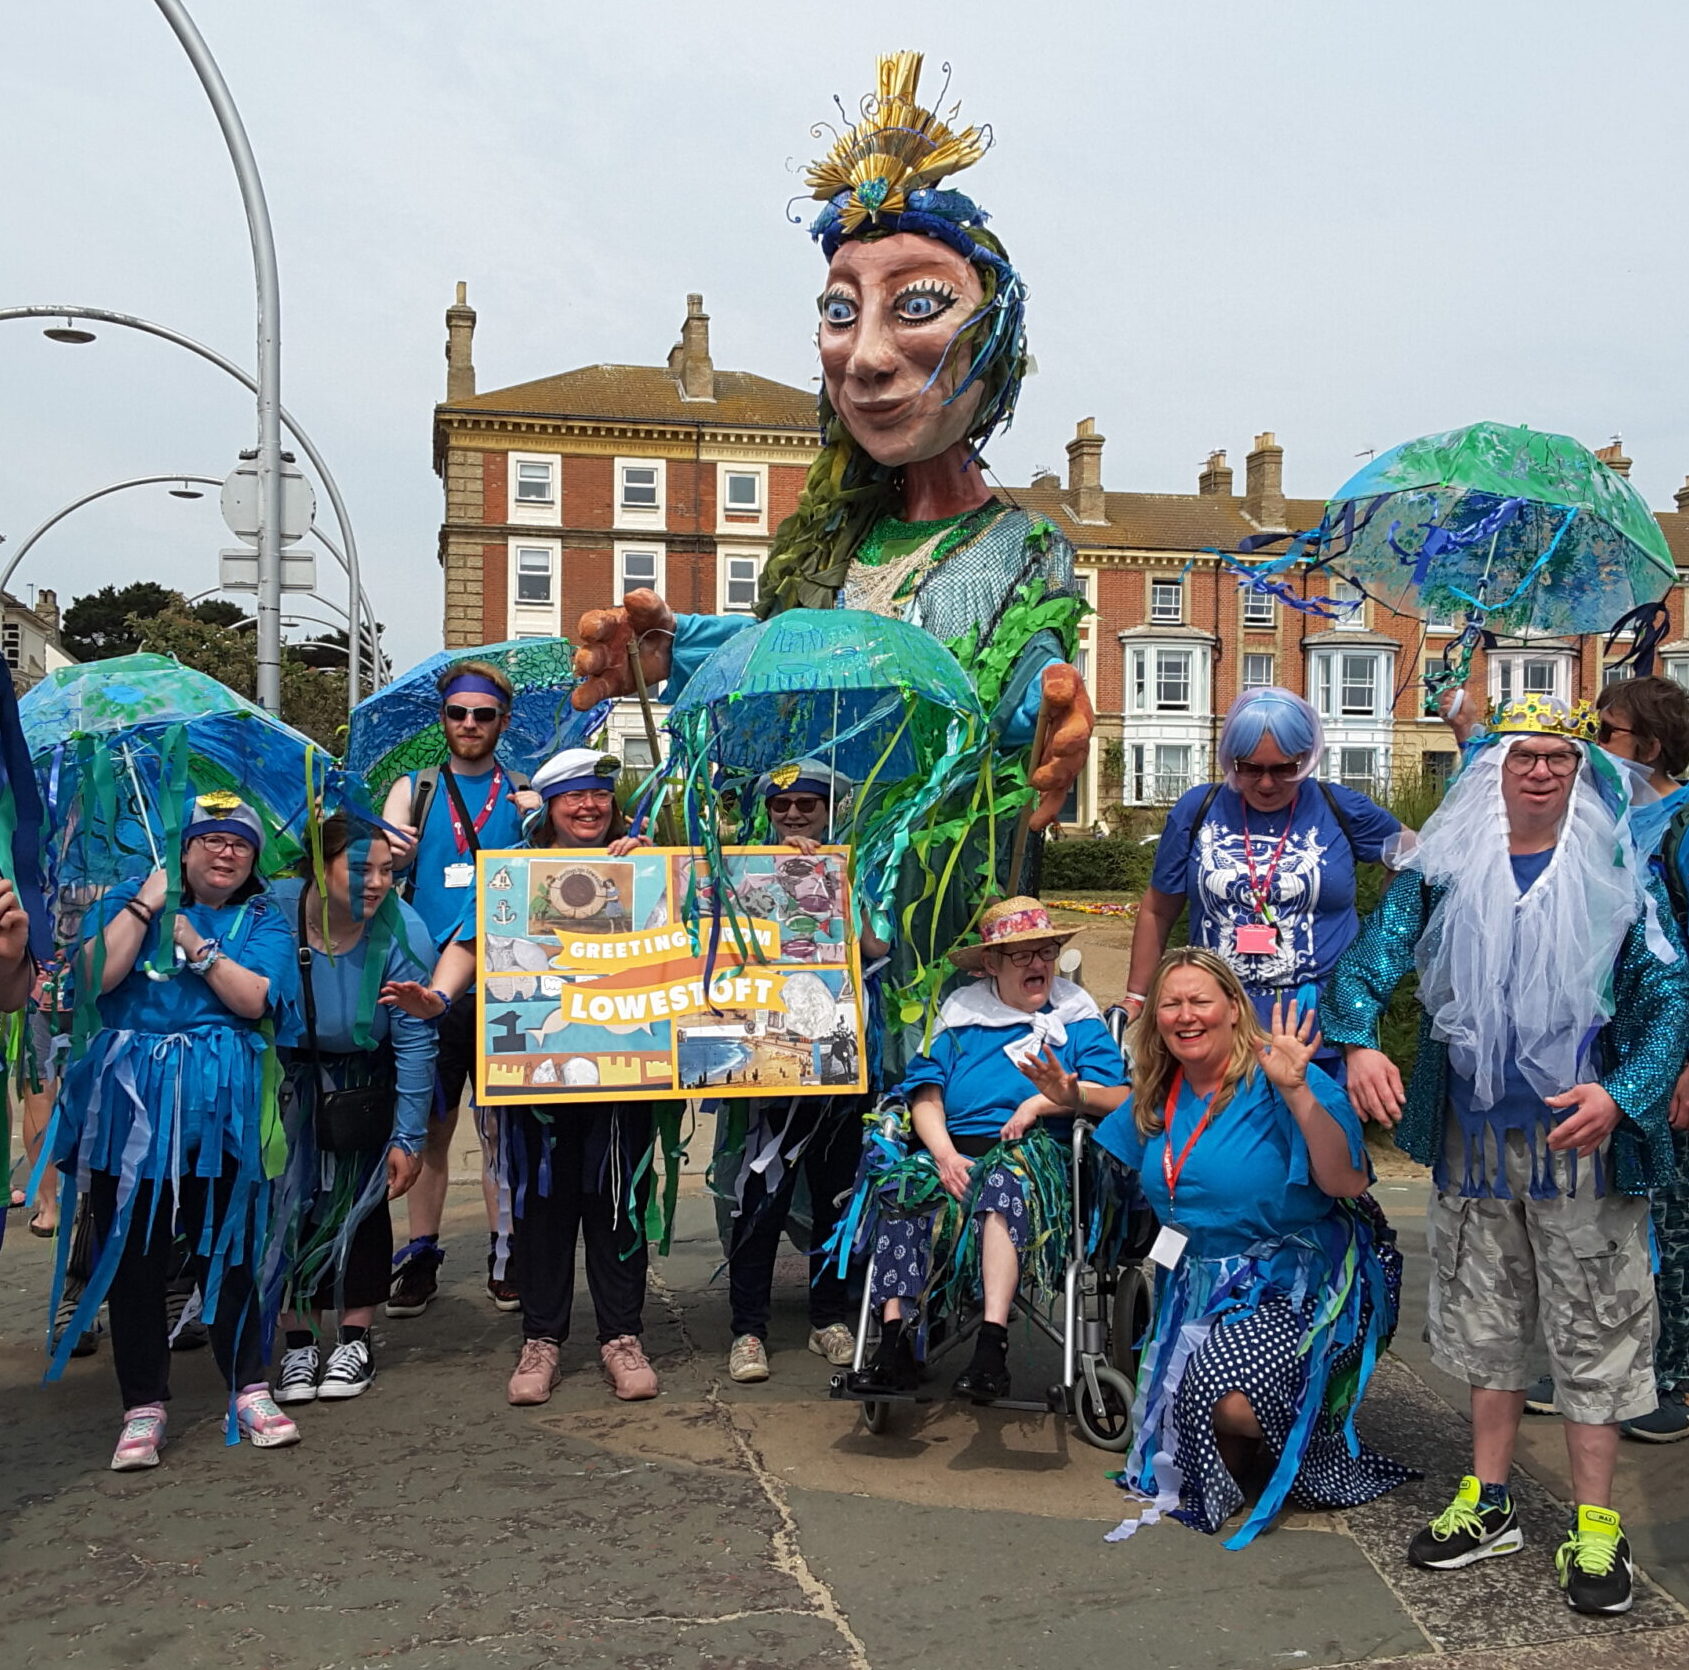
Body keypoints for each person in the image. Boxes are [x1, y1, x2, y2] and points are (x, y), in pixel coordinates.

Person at [568, 52, 1093, 1082]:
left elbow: (1023, 686)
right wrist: (673, 651)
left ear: (995, 337)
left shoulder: (1029, 547)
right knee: (786, 1186)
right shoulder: (821, 549)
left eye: (917, 305)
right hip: (798, 940)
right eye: (842, 311)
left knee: (928, 1172)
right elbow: (777, 666)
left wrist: (1056, 710)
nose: (866, 356)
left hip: (946, 939)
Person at [1321, 695, 1689, 1616]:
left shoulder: (1617, 873)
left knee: (1595, 1328)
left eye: (1557, 759)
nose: (1537, 772)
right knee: (1488, 1325)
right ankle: (1487, 1500)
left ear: (1577, 773)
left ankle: (1595, 1524)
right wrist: (1360, 1040)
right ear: (1492, 770)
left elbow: (1669, 996)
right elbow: (1369, 961)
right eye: (1521, 756)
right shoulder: (1443, 871)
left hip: (1582, 1147)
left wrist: (1622, 1094)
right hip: (1474, 1141)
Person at [1094, 948, 1413, 1547]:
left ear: (1235, 1010)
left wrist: (1297, 1093)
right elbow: (1113, 1113)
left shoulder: (1283, 1078)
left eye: (1200, 1001)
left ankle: (1298, 1429)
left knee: (1224, 1400)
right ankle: (1239, 1430)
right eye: (1171, 1003)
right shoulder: (1160, 1092)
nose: (1186, 1015)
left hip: (1293, 1281)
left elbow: (1345, 1182)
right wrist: (1062, 1093)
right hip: (1194, 1284)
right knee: (1191, 1412)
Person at [382, 748, 662, 1405]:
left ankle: (622, 1337)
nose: (588, 807)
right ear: (552, 806)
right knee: (540, 1206)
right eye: (574, 797)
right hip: (536, 1070)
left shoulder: (646, 860)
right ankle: (541, 1339)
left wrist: (658, 871)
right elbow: (470, 941)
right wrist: (441, 998)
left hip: (627, 1069)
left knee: (618, 1203)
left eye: (598, 796)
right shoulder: (514, 874)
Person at [47, 793, 301, 1469]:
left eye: (239, 843)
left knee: (233, 1251)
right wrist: (146, 906)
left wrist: (195, 941)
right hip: (129, 1107)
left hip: (220, 1105)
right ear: (182, 848)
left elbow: (255, 998)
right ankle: (143, 1405)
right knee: (131, 1257)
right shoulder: (133, 896)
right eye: (211, 840)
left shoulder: (262, 917)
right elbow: (96, 979)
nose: (225, 853)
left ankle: (248, 1386)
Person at [843, 897, 1128, 1402]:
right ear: (991, 965)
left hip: (1038, 1155)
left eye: (1045, 951)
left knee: (1005, 1180)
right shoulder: (960, 1018)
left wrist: (1049, 1101)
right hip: (955, 1149)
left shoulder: (1078, 1020)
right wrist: (946, 1155)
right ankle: (892, 1344)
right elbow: (924, 1096)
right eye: (1021, 956)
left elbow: (1121, 1097)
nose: (1038, 964)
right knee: (907, 1189)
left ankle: (991, 1348)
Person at [1124, 687, 1404, 1077]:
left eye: (1285, 768)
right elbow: (1158, 908)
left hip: (1319, 1026)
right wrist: (1137, 997)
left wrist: (1383, 936)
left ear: (1306, 759)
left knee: (1316, 1133)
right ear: (1229, 760)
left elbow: (1417, 861)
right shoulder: (1198, 807)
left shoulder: (1340, 807)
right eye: (1250, 768)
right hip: (1214, 1025)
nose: (1267, 784)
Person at [266, 818, 434, 1405]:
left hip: (362, 1082)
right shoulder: (271, 909)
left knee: (358, 1205)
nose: (378, 883)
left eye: (388, 871)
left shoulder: (404, 931)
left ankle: (355, 1337)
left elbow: (415, 1039)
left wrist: (409, 1137)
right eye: (361, 869)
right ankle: (298, 1344)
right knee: (286, 1208)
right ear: (319, 865)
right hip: (282, 1082)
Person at [380, 659, 530, 1317]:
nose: (469, 725)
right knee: (426, 1129)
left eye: (483, 714)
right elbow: (372, 867)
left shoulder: (525, 792)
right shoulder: (410, 789)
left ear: (503, 720)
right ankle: (419, 1256)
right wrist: (395, 850)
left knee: (500, 1130)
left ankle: (507, 1255)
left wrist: (539, 818)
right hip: (424, 984)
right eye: (457, 713)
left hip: (507, 984)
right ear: (442, 719)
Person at [718, 760, 875, 1383]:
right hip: (765, 1061)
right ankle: (747, 1331)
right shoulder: (735, 868)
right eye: (781, 806)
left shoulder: (860, 865)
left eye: (806, 804)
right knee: (758, 1197)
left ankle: (829, 1318)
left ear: (831, 807)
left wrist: (827, 879)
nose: (791, 815)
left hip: (836, 1056)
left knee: (836, 1195)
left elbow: (878, 945)